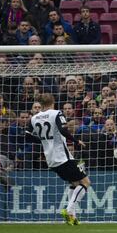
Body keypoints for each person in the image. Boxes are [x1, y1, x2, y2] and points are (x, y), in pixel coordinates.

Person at [25, 93, 90, 225]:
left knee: (74, 183)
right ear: (53, 102)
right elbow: (63, 130)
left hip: (50, 159)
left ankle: (72, 217)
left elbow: (27, 136)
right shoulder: (56, 113)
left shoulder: (34, 118)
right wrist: (76, 141)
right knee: (85, 182)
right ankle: (70, 209)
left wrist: (44, 141)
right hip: (62, 157)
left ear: (41, 104)